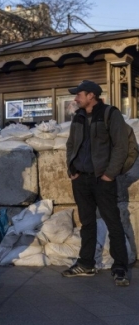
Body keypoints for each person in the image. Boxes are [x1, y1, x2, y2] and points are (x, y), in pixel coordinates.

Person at [63, 80, 130, 286]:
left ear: (91, 95)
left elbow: (121, 146)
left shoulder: (111, 114)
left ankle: (120, 266)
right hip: (80, 179)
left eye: (79, 94)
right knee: (87, 222)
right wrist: (71, 169)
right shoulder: (78, 116)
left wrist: (109, 175)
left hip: (103, 179)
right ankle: (86, 263)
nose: (76, 98)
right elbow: (71, 144)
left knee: (113, 222)